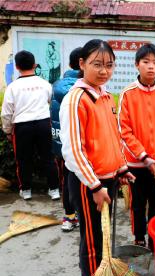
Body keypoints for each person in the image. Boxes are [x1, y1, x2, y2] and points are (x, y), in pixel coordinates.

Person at [59, 39, 134, 276]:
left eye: (109, 65)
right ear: (82, 64)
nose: (104, 71)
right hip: (88, 182)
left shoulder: (107, 97)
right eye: (97, 64)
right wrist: (94, 186)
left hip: (108, 179)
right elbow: (73, 151)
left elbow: (114, 137)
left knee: (104, 234)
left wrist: (121, 168)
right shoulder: (76, 99)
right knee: (91, 239)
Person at [118, 43, 155, 249]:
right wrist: (144, 156)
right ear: (137, 65)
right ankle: (139, 237)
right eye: (146, 62)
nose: (150, 66)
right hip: (136, 163)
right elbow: (124, 131)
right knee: (137, 204)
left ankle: (154, 238)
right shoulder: (128, 94)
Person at [1, 50, 60, 201]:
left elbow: (6, 113)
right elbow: (50, 103)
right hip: (43, 123)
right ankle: (54, 190)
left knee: (23, 160)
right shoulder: (45, 84)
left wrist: (8, 131)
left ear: (17, 66)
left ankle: (26, 190)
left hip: (22, 127)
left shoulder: (12, 88)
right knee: (48, 158)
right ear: (34, 65)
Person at [51, 47, 82, 232]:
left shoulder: (56, 85)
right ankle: (81, 215)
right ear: (81, 63)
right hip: (79, 145)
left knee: (66, 181)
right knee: (81, 180)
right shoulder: (84, 88)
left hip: (60, 143)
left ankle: (69, 217)